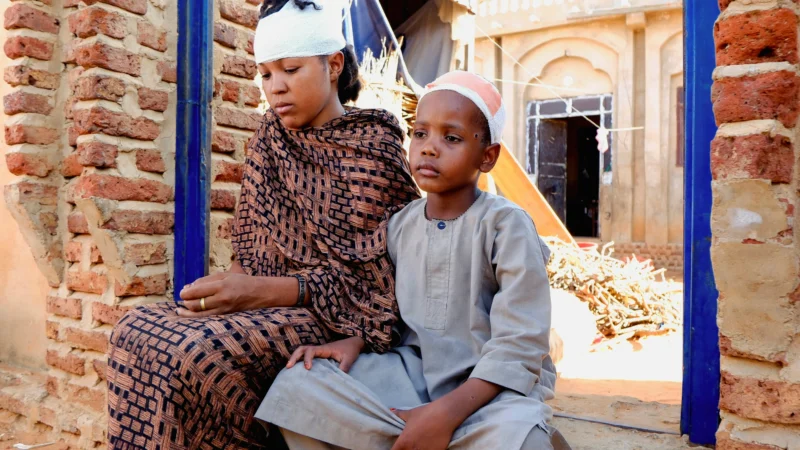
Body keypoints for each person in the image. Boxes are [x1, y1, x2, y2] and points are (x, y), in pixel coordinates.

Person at [105, 1, 419, 448]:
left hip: (335, 320)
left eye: (290, 69)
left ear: (333, 65)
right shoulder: (269, 138)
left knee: (196, 353)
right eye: (266, 75)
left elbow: (376, 283)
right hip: (261, 305)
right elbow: (247, 251)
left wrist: (255, 292)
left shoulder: (373, 149)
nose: (276, 87)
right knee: (134, 331)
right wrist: (221, 295)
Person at [257, 71, 560, 450]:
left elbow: (521, 344)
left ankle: (430, 432)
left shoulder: (506, 225)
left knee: (526, 439)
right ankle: (420, 433)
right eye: (420, 134)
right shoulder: (399, 225)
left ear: (488, 156)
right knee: (300, 384)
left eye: (451, 138)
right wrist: (356, 341)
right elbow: (385, 311)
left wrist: (443, 415)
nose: (430, 148)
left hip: (489, 392)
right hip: (413, 375)